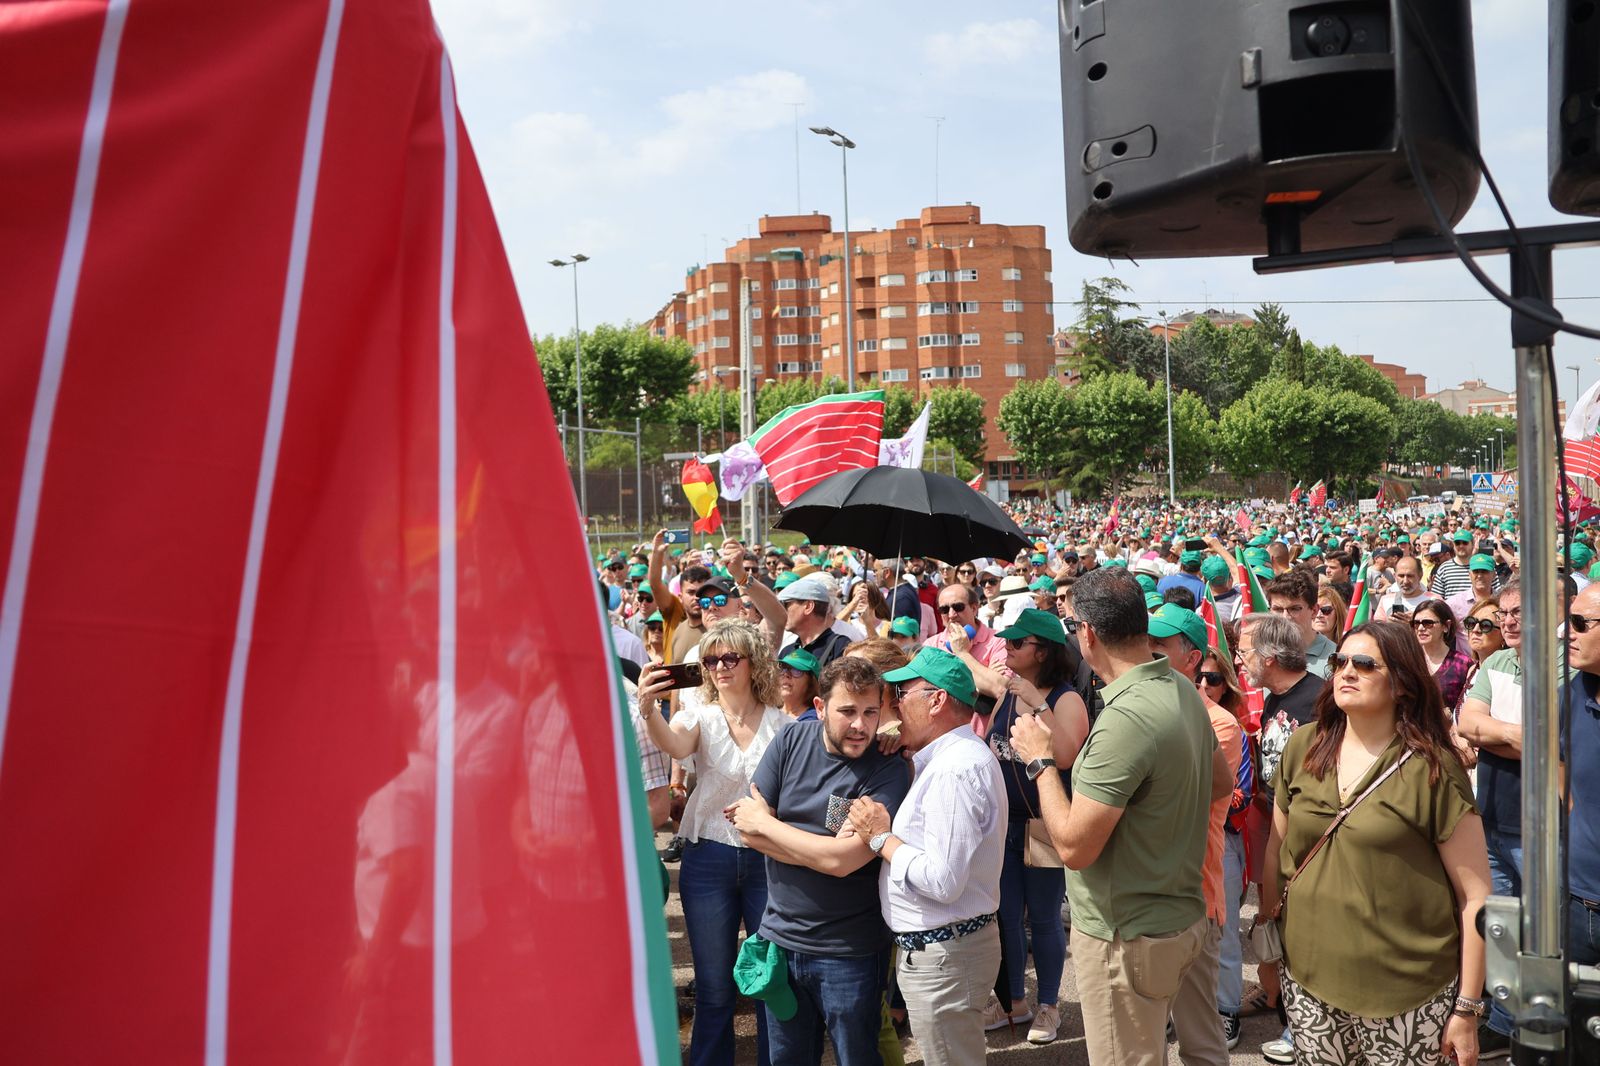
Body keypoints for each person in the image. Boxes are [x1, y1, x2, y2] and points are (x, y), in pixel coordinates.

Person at [1007, 566, 1225, 1066]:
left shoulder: (1126, 718)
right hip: (1177, 917)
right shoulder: (1179, 687)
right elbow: (1217, 783)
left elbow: (1074, 848)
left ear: (1086, 633)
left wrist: (1039, 759)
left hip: (1126, 937)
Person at [1262, 621, 1490, 1066]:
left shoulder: (1434, 769)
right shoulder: (1304, 747)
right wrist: (1268, 952)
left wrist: (1467, 1007)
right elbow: (1276, 851)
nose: (1347, 671)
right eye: (1340, 661)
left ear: (1402, 681)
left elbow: (1476, 895)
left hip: (1410, 994)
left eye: (1365, 664)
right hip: (1309, 983)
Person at [726, 656, 914, 1066]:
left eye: (870, 712)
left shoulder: (888, 770)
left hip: (851, 953)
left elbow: (843, 862)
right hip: (780, 941)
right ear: (819, 707)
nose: (861, 725)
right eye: (847, 711)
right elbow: (746, 830)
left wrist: (769, 825)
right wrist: (810, 847)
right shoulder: (791, 741)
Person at [844, 648, 1006, 1066]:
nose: (893, 704)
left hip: (946, 954)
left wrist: (882, 840)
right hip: (945, 951)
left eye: (901, 693)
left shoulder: (955, 769)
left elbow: (942, 881)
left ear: (936, 701)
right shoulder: (946, 759)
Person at [637, 620, 786, 1066]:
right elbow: (677, 748)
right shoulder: (697, 714)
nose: (719, 667)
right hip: (709, 857)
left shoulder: (782, 721)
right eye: (710, 660)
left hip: (770, 858)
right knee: (714, 984)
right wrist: (648, 710)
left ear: (752, 661)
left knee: (770, 979)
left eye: (729, 658)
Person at [975, 608, 1091, 1044]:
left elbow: (1063, 756)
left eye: (1017, 643)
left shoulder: (1065, 699)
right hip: (1003, 825)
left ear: (1041, 651)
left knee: (1042, 918)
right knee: (1004, 917)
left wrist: (1037, 703)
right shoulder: (1007, 693)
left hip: (1043, 825)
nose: (1007, 647)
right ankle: (1013, 1001)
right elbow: (992, 747)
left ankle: (1048, 1006)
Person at [1146, 604, 1241, 1065]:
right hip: (1150, 895)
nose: (1146, 652)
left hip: (1194, 895)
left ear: (1191, 658)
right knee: (1145, 1038)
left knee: (1199, 1037)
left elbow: (1171, 798)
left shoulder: (1219, 724)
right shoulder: (1142, 707)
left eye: (1158, 645)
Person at [1239, 612, 1321, 1051]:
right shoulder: (1275, 697)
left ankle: (1302, 1029)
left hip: (1307, 839)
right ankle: (1288, 1010)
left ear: (1269, 657)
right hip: (1275, 826)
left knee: (1303, 931)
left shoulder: (1319, 701)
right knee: (1277, 924)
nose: (1240, 659)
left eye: (1246, 651)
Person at [1455, 580, 1524, 1056]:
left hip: (1543, 828)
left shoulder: (1569, 669)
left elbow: (1557, 741)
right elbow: (1466, 723)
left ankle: (1536, 1026)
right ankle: (1502, 1020)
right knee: (1500, 928)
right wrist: (1516, 735)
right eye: (1503, 612)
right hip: (1493, 818)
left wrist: (1490, 734)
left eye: (1520, 612)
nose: (1508, 621)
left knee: (1545, 934)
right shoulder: (1496, 662)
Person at [1562, 582, 1600, 968]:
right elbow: (1559, 761)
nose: (1566, 631)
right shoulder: (1572, 692)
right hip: (1578, 902)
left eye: (1579, 622)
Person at [1267, 569, 1337, 678]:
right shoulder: (1261, 654)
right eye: (1278, 609)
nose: (1285, 617)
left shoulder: (1334, 659)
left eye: (1294, 609)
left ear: (1314, 610)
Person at [778, 574, 854, 670]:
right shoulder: (787, 651)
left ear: (808, 607)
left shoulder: (841, 648)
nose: (782, 612)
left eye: (785, 605)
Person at [1412, 598, 1473, 712]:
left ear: (1446, 626)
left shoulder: (1464, 664)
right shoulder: (1407, 660)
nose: (1420, 628)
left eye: (1428, 623)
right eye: (1416, 623)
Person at [1376, 555, 1431, 623]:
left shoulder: (1433, 600)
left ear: (1420, 576)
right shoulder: (1385, 600)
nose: (1405, 581)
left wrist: (1415, 622)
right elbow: (1376, 630)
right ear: (1395, 576)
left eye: (1410, 576)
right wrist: (1389, 625)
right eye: (1401, 576)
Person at [1429, 530, 1476, 600]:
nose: (1461, 546)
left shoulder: (1482, 566)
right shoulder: (1444, 568)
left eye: (1465, 543)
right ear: (1454, 546)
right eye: (1457, 543)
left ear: (1472, 544)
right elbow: (1436, 599)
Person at [778, 648, 821, 721]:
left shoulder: (812, 721)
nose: (786, 674)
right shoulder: (767, 710)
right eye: (783, 668)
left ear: (811, 683)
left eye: (796, 670)